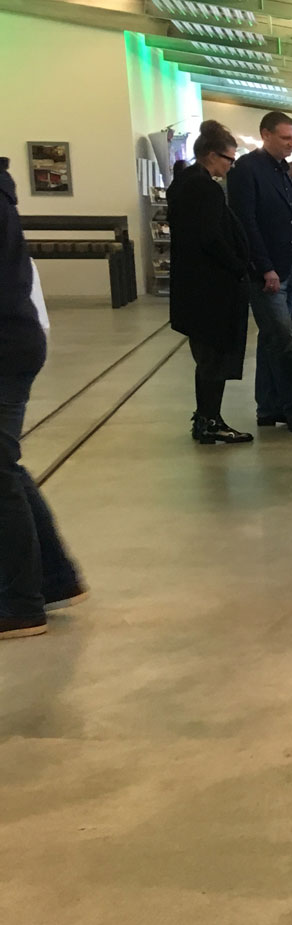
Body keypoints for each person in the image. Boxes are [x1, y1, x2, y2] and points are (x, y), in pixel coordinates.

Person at [0, 156, 83, 639]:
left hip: (6, 344)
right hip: (17, 338)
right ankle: (53, 580)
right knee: (5, 465)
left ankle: (20, 603)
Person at [168, 120, 259, 446]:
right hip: (211, 289)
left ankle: (207, 418)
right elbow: (209, 237)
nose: (231, 165)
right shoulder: (203, 188)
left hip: (194, 287)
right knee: (215, 358)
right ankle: (210, 421)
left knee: (207, 357)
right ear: (210, 155)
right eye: (228, 158)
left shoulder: (184, 183)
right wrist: (238, 266)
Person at [226, 110, 292, 430]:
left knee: (271, 338)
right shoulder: (247, 170)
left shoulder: (281, 171)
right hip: (267, 272)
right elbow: (246, 222)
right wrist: (264, 267)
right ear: (266, 135)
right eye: (285, 138)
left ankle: (269, 407)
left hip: (287, 266)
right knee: (283, 340)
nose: (291, 143)